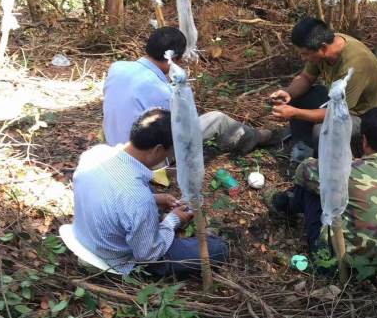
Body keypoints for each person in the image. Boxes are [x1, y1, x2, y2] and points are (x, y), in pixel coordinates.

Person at [73, 108, 229, 277]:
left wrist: (154, 198)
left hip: (86, 234)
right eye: (169, 153)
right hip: (117, 256)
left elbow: (111, 195)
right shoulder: (138, 198)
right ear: (157, 150)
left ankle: (152, 225)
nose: (168, 158)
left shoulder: (95, 154)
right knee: (219, 249)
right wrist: (172, 221)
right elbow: (147, 255)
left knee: (144, 201)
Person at [270, 106, 377, 268]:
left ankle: (283, 205)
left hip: (336, 262)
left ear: (364, 140)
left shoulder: (347, 171)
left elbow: (304, 169)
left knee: (313, 187)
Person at [103, 26, 273, 153]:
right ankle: (253, 138)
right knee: (217, 119)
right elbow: (181, 128)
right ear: (175, 59)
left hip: (113, 146)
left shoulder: (117, 67)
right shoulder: (162, 91)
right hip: (144, 156)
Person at [269, 17, 377, 156]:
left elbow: (335, 113)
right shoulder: (323, 46)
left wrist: (295, 112)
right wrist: (288, 93)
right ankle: (304, 146)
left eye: (305, 54)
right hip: (339, 102)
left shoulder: (354, 66)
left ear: (323, 47)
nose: (303, 58)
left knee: (323, 131)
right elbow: (306, 77)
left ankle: (322, 162)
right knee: (296, 97)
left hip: (362, 116)